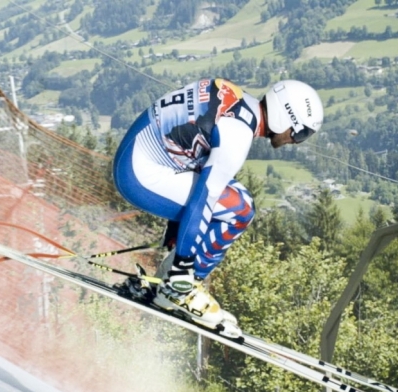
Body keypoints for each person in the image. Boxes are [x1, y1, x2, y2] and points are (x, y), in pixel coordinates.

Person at [112, 78, 324, 335]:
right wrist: (183, 269)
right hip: (139, 176)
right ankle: (179, 290)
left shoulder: (239, 101)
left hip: (137, 160)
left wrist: (175, 232)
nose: (296, 141)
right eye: (300, 133)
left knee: (237, 196)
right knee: (239, 210)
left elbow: (188, 153)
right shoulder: (237, 135)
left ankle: (170, 283)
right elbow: (203, 201)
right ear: (284, 116)